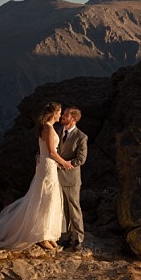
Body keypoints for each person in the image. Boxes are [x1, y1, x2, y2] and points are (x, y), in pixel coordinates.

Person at [0, 102, 74, 252]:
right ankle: (41, 235)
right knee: (46, 197)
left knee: (47, 196)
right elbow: (51, 151)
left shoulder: (47, 127)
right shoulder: (47, 127)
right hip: (48, 165)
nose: (60, 115)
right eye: (59, 112)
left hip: (48, 164)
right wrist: (64, 163)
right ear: (54, 113)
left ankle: (46, 233)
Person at [56, 106, 88, 250]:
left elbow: (81, 158)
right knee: (62, 209)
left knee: (74, 208)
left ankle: (78, 239)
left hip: (71, 178)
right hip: (56, 178)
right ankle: (65, 236)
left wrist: (66, 164)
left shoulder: (81, 136)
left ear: (73, 118)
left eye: (66, 115)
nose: (63, 116)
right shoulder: (57, 131)